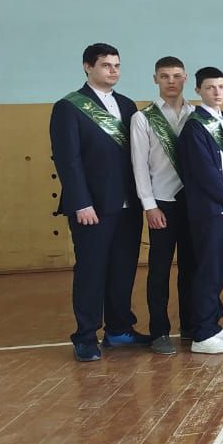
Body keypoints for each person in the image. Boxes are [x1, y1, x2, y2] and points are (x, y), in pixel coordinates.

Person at [50, 43, 145, 361]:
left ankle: (119, 329)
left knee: (123, 268)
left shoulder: (128, 105)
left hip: (128, 204)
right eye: (106, 65)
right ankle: (86, 335)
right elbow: (68, 160)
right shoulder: (69, 107)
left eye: (117, 65)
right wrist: (81, 202)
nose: (113, 71)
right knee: (91, 271)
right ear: (87, 67)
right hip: (92, 206)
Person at [176, 67, 223, 355]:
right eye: (210, 87)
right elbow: (203, 173)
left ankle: (213, 324)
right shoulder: (195, 126)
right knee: (207, 269)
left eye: (221, 86)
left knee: (219, 268)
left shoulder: (221, 118)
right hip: (209, 209)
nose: (217, 92)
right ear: (198, 91)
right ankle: (202, 333)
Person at [130, 55, 195, 355]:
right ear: (155, 79)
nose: (171, 81)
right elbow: (139, 165)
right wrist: (149, 205)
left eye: (177, 76)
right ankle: (159, 331)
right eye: (165, 76)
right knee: (159, 269)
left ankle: (191, 325)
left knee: (191, 266)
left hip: (192, 203)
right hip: (162, 203)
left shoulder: (196, 114)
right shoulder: (143, 118)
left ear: (185, 79)